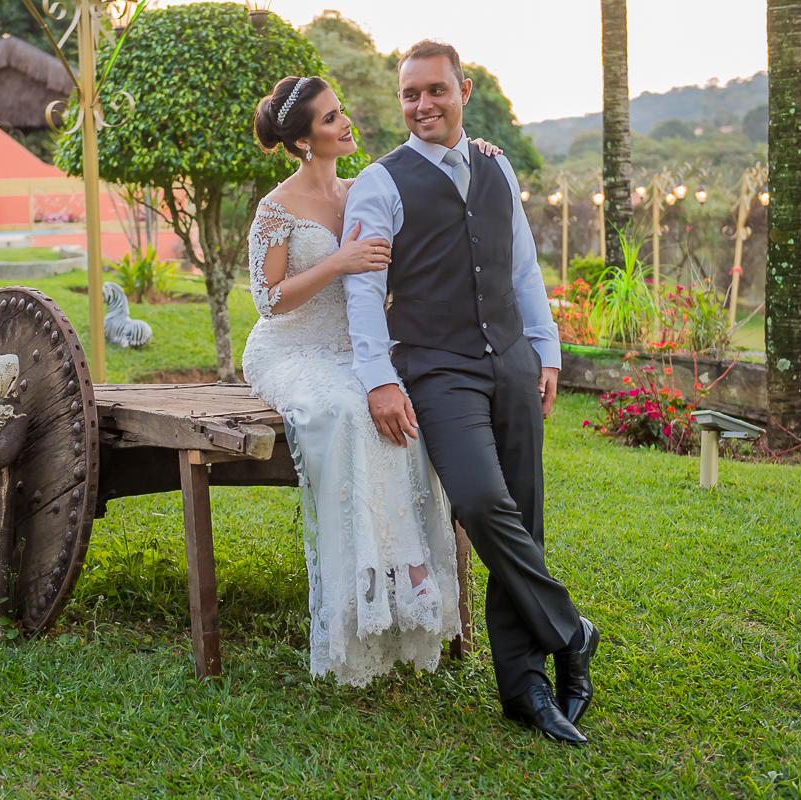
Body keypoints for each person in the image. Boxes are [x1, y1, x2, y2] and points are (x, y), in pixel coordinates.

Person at [342, 41, 600, 745]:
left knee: (524, 514)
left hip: (512, 361)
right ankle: (572, 632)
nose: (423, 104)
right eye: (410, 94)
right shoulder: (380, 182)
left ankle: (525, 688)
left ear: (464, 92)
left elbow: (523, 268)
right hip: (436, 367)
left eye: (436, 90)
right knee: (482, 503)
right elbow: (362, 291)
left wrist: (545, 352)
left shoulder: (496, 166)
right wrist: (379, 378)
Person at [242, 76, 504, 687]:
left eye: (342, 112)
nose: (346, 123)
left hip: (355, 348)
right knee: (352, 412)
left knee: (408, 409)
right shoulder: (276, 209)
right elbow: (267, 301)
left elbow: (428, 171)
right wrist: (338, 261)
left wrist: (478, 150)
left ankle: (408, 577)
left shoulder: (364, 187)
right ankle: (365, 588)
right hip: (291, 349)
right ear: (304, 141)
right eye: (331, 118)